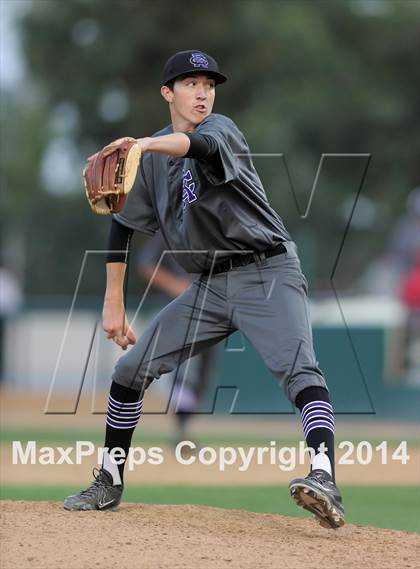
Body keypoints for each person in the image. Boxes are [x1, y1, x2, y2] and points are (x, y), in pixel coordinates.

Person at [64, 50, 344, 528]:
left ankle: (324, 478)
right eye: (191, 83)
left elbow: (199, 150)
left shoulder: (219, 130)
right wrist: (113, 302)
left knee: (299, 372)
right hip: (210, 286)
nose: (202, 92)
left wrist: (144, 148)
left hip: (267, 271)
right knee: (130, 370)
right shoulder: (149, 154)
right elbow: (122, 227)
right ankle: (108, 481)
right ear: (167, 93)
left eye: (209, 84)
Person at [137, 231, 218, 443]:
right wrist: (174, 285)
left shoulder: (213, 230)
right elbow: (146, 264)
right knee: (185, 371)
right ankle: (181, 431)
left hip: (210, 312)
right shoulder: (170, 230)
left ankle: (184, 428)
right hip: (179, 311)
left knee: (202, 375)